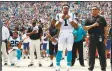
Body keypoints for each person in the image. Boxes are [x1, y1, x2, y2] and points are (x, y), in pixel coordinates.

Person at [52, 4, 78, 71]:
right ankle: (57, 65)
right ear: (62, 9)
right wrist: (61, 19)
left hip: (70, 33)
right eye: (64, 8)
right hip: (62, 32)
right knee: (60, 49)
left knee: (69, 49)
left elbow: (76, 26)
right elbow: (57, 26)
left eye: (66, 8)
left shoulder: (72, 15)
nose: (65, 9)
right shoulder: (58, 15)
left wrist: (70, 19)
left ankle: (68, 65)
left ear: (68, 9)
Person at [83, 6, 108, 71]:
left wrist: (105, 37)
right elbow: (85, 28)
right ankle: (90, 68)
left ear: (98, 10)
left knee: (102, 54)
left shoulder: (102, 18)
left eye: (95, 9)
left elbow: (106, 28)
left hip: (101, 37)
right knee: (91, 54)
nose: (94, 10)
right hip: (92, 37)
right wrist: (93, 25)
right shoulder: (88, 19)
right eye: (93, 9)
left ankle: (103, 68)